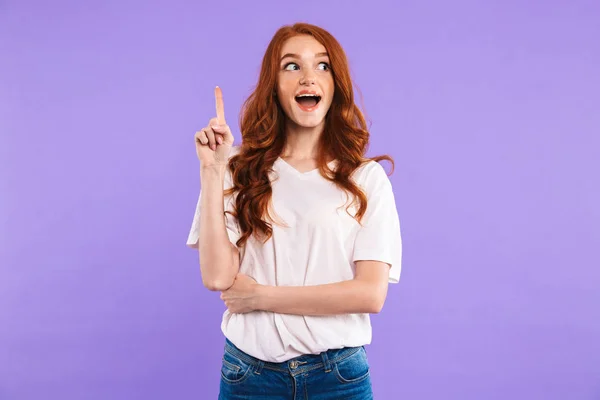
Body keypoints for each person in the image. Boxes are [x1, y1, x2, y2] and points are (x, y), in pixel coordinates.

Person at [187, 22, 402, 400]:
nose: (308, 77)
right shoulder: (238, 168)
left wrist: (261, 298)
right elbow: (218, 277)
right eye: (291, 66)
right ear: (274, 84)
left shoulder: (365, 178)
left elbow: (370, 294)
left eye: (322, 66)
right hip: (249, 374)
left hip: (338, 379)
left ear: (336, 85)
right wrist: (211, 171)